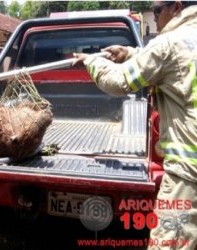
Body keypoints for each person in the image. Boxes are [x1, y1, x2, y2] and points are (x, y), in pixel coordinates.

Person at [74, 1, 197, 249]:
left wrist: (91, 62)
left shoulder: (168, 43)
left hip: (188, 174)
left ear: (176, 7)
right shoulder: (187, 38)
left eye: (157, 10)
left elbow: (118, 82)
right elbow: (165, 61)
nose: (154, 17)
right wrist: (128, 53)